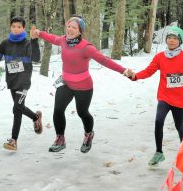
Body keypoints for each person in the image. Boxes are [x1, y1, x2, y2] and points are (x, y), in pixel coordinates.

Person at [32, 15, 129, 153]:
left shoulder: (86, 47)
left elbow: (104, 61)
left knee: (82, 112)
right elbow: (53, 38)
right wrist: (40, 33)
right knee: (58, 110)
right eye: (68, 26)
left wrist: (123, 70)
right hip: (65, 83)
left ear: (80, 31)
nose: (70, 29)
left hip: (83, 86)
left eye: (74, 27)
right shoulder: (63, 40)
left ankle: (89, 134)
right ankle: (60, 139)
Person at [125, 26, 183, 166]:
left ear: (180, 41)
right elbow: (149, 71)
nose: (171, 41)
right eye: (169, 38)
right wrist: (135, 76)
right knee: (158, 120)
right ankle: (159, 152)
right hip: (164, 96)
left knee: (180, 126)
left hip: (179, 98)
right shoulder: (160, 57)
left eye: (174, 38)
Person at [0, 16, 43, 151]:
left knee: (17, 107)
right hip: (12, 80)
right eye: (13, 26)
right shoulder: (5, 43)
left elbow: (36, 58)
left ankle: (13, 140)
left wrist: (34, 41)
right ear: (10, 27)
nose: (16, 29)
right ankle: (35, 117)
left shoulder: (28, 43)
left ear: (23, 28)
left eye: (19, 27)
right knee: (19, 107)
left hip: (23, 80)